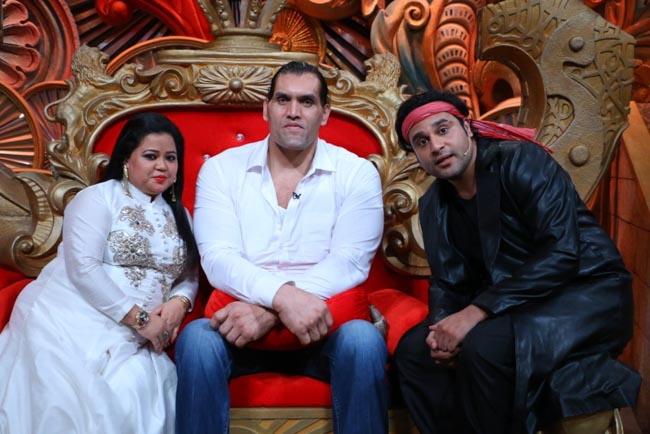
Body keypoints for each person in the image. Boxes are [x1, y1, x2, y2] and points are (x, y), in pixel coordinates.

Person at [392, 90, 641, 434]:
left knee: (483, 346)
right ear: (416, 154)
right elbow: (448, 282)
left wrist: (477, 311)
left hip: (584, 291)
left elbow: (562, 253)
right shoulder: (434, 204)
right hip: (512, 304)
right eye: (422, 141)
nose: (436, 145)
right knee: (415, 352)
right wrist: (442, 329)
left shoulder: (522, 160)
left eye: (443, 129)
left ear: (468, 127)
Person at [175, 61, 388, 434]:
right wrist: (282, 299)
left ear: (325, 113)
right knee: (196, 341)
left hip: (325, 328)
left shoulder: (357, 173)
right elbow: (219, 259)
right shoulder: (221, 170)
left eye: (306, 101)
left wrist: (271, 312)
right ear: (266, 109)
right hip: (239, 329)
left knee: (364, 340)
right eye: (283, 100)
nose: (293, 111)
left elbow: (350, 262)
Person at [0, 112, 199, 434]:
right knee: (83, 399)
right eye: (151, 156)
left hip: (140, 337)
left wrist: (179, 303)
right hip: (72, 319)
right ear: (127, 160)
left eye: (171, 158)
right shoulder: (98, 198)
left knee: (138, 387)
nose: (162, 166)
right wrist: (142, 321)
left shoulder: (181, 215)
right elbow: (84, 268)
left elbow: (189, 275)